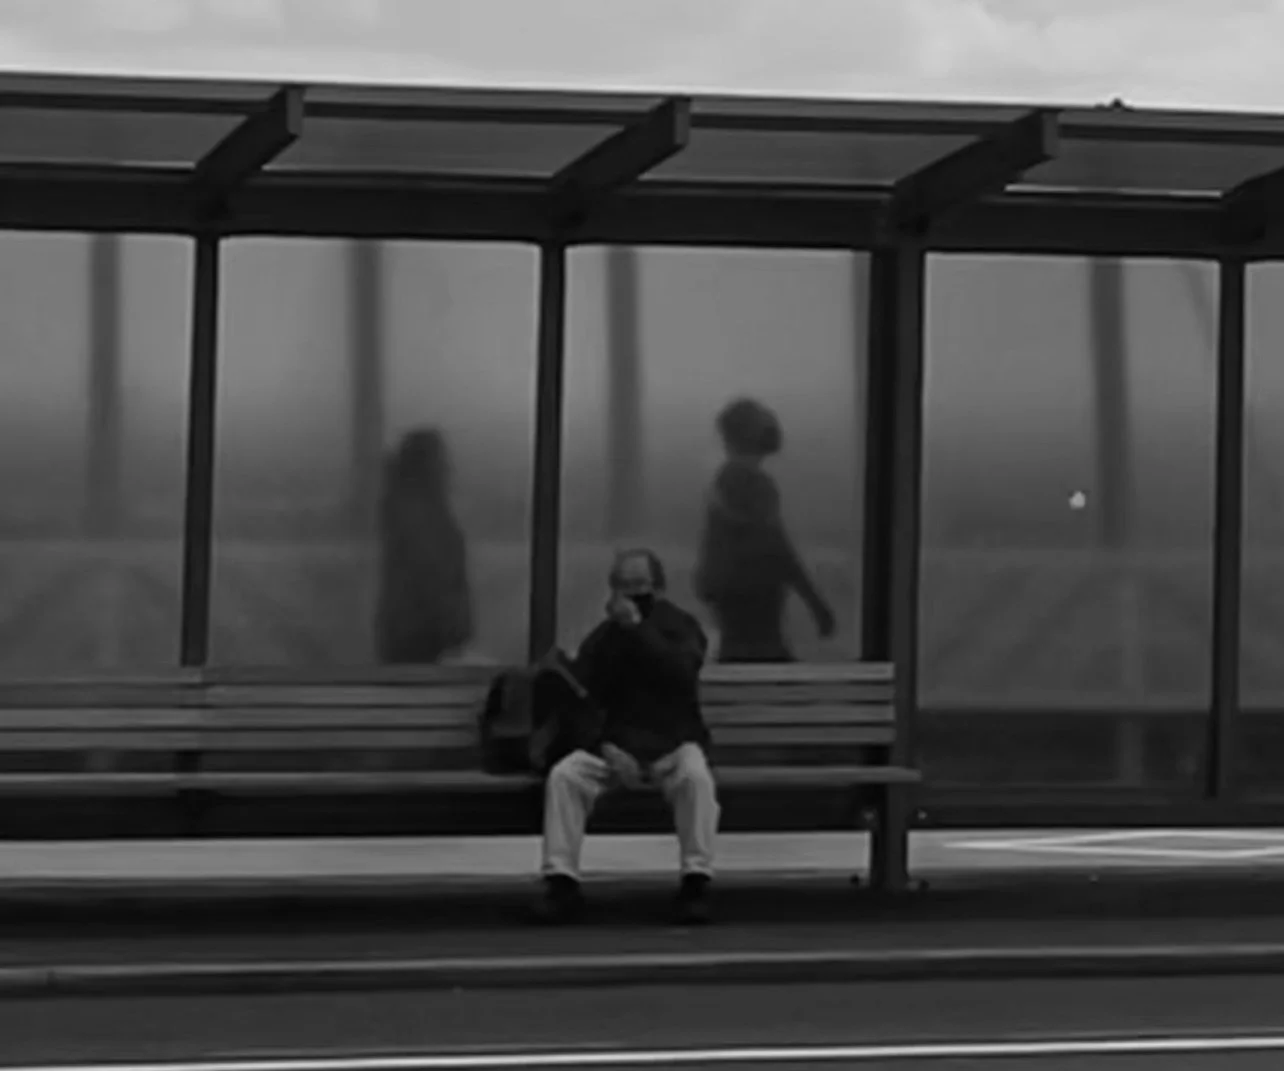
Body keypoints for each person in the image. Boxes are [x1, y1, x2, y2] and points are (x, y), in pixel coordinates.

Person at [535, 548, 719, 926]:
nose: (630, 595)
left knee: (696, 779)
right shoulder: (603, 638)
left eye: (639, 585)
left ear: (659, 587)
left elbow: (680, 675)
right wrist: (606, 747)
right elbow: (584, 701)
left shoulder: (680, 626)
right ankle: (561, 884)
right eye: (622, 586)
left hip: (672, 744)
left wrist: (638, 629)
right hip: (616, 750)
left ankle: (696, 882)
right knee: (565, 776)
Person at [693, 397, 835, 663]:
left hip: (729, 595)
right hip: (756, 595)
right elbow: (777, 546)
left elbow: (714, 543)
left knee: (740, 659)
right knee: (765, 661)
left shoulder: (723, 482)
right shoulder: (756, 485)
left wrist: (708, 581)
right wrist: (815, 602)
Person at [374, 428, 474, 665]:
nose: (449, 469)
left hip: (411, 642)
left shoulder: (404, 515)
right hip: (422, 643)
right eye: (442, 462)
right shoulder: (424, 520)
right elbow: (435, 580)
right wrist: (455, 625)